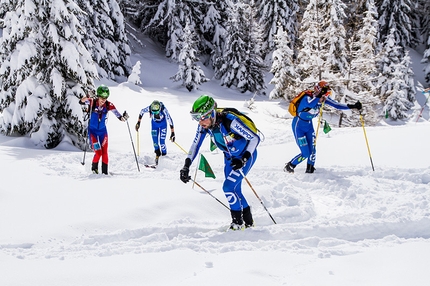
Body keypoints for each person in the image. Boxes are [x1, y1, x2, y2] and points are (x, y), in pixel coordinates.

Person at [179, 95, 261, 230]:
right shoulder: (205, 126)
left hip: (245, 157)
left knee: (228, 187)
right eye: (196, 118)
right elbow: (195, 146)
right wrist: (186, 166)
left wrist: (244, 158)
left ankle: (237, 224)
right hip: (230, 159)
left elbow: (254, 139)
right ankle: (249, 223)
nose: (199, 122)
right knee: (235, 190)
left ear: (211, 113)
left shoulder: (231, 122)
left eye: (201, 117)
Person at [284, 80, 362, 174]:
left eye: (326, 95)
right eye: (324, 95)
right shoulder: (307, 97)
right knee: (305, 153)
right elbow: (310, 104)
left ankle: (310, 170)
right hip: (298, 126)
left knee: (313, 150)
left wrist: (353, 106)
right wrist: (319, 96)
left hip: (309, 126)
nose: (325, 98)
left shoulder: (322, 99)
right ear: (318, 91)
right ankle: (290, 165)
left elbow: (337, 105)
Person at [79, 84, 129, 175]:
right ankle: (94, 170)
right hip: (93, 131)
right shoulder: (92, 102)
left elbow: (118, 116)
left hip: (103, 132)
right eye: (102, 97)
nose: (103, 100)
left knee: (105, 152)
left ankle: (105, 173)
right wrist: (87, 96)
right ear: (98, 96)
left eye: (105, 97)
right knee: (98, 153)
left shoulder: (109, 105)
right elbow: (81, 102)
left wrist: (124, 118)